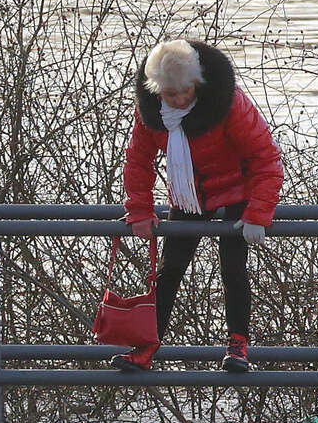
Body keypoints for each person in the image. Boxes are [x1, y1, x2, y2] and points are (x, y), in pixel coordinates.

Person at [113, 39, 283, 372]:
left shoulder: (230, 105)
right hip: (187, 197)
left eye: (183, 93)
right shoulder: (150, 114)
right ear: (156, 90)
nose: (177, 101)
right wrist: (140, 210)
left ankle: (238, 346)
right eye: (169, 95)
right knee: (169, 272)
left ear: (197, 83)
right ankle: (147, 346)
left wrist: (257, 215)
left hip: (237, 194)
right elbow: (138, 160)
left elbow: (265, 158)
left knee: (233, 270)